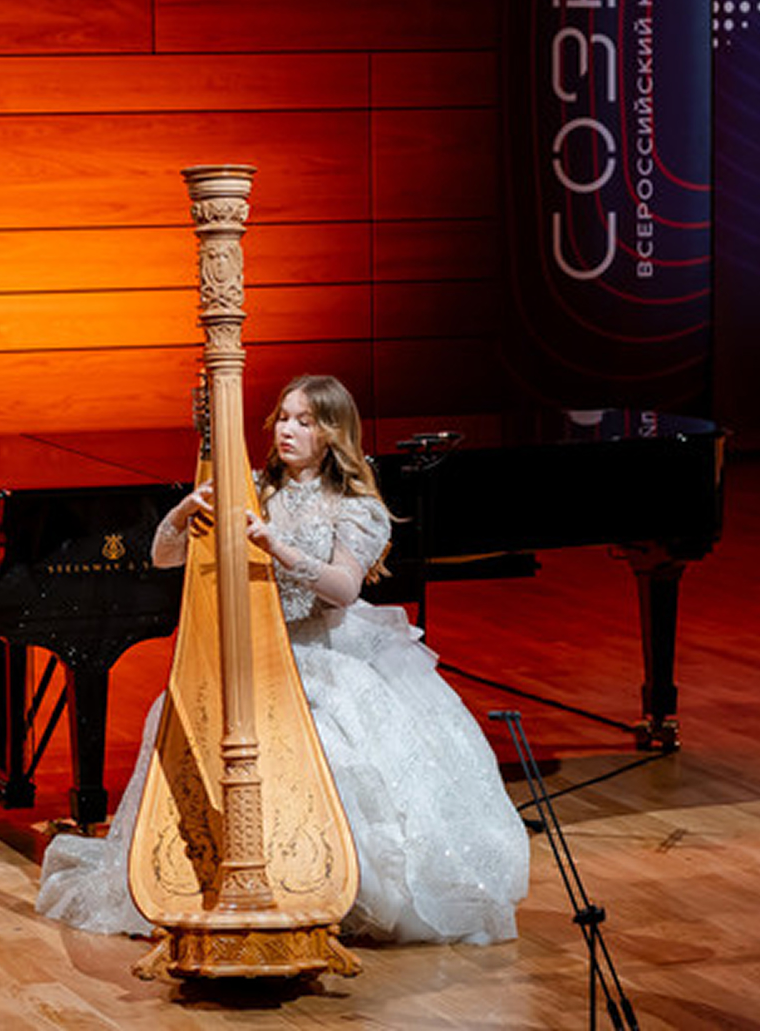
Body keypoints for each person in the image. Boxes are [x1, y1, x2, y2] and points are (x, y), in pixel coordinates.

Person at [36, 374, 530, 945]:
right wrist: (183, 512)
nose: (287, 431)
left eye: (304, 421)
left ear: (332, 433)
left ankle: (322, 880)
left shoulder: (355, 507)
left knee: (330, 747)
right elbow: (164, 557)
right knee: (175, 717)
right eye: (284, 419)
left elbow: (343, 589)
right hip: (255, 652)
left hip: (323, 650)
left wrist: (278, 548)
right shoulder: (250, 487)